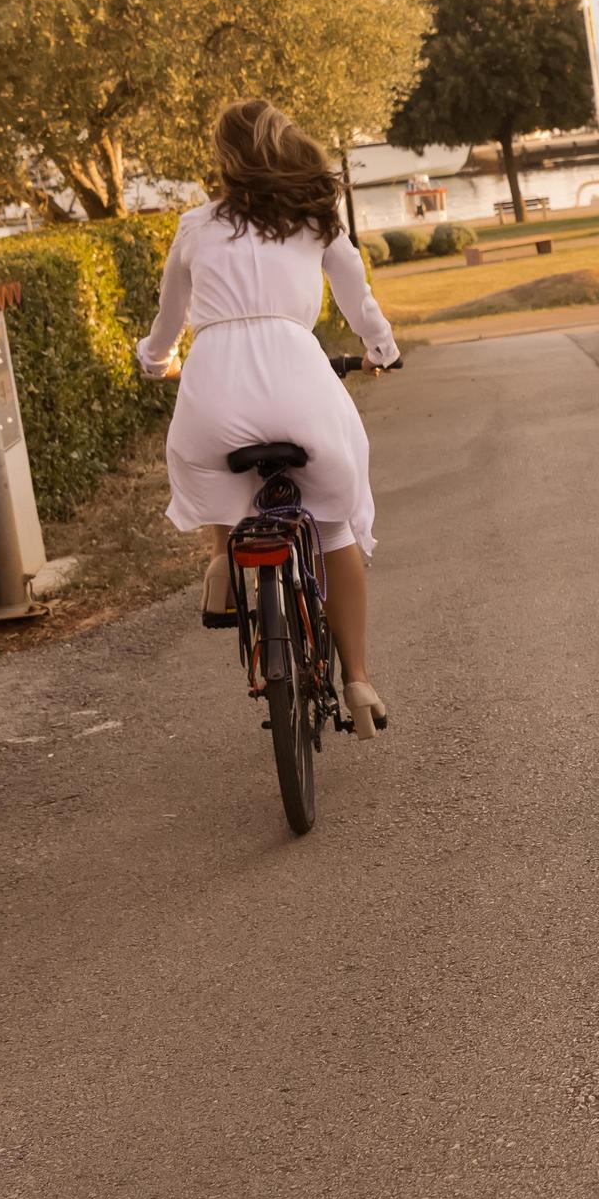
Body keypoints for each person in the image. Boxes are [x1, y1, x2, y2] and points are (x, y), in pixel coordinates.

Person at [135, 99, 401, 735]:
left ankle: (225, 556)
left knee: (215, 474)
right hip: (298, 380)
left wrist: (153, 362)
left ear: (223, 159)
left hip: (214, 387)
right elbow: (357, 297)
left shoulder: (196, 226)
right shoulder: (313, 219)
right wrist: (382, 350)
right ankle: (358, 680)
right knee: (333, 531)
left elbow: (168, 319)